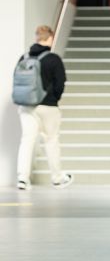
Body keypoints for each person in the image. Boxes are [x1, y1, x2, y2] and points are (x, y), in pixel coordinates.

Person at [15, 25, 72, 190]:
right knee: (51, 140)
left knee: (27, 140)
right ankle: (57, 178)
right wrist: (54, 98)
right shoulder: (53, 59)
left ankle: (23, 179)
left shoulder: (23, 58)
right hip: (48, 106)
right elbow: (60, 83)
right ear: (50, 38)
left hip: (26, 106)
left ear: (36, 38)